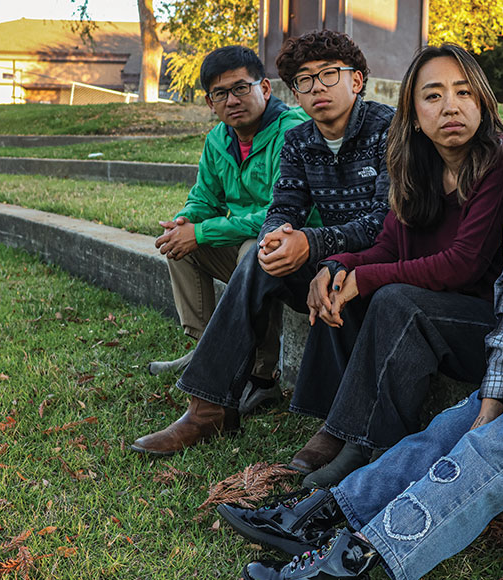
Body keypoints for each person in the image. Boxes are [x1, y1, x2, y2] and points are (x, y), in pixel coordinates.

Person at [220, 74, 503, 580]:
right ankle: (328, 515)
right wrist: (492, 396)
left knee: (490, 447)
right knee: (445, 431)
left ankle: (361, 563)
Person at [130, 30, 394, 457]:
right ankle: (208, 409)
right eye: (304, 81)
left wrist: (311, 242)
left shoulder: (389, 130)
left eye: (329, 75)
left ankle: (321, 418)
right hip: (322, 256)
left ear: (357, 81)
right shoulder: (300, 140)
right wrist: (276, 236)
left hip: (376, 263)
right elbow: (284, 204)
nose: (317, 88)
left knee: (259, 253)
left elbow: (386, 223)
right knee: (257, 252)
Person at [286, 44, 503, 486]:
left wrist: (365, 277)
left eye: (464, 93)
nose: (450, 106)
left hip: (490, 328)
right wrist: (336, 265)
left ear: (483, 102)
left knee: (392, 298)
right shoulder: (415, 166)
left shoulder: (500, 161)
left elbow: (463, 265)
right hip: (436, 315)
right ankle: (336, 425)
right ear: (412, 111)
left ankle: (368, 445)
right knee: (343, 286)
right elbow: (387, 248)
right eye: (433, 95)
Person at [148, 46, 307, 403]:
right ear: (210, 102)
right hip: (239, 236)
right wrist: (187, 220)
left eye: (240, 88)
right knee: (179, 247)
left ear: (264, 88)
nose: (232, 100)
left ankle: (262, 376)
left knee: (255, 253)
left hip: (284, 242)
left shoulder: (292, 131)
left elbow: (279, 213)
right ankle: (210, 350)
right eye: (220, 93)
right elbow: (205, 196)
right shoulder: (218, 139)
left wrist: (202, 231)